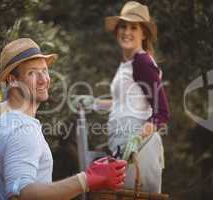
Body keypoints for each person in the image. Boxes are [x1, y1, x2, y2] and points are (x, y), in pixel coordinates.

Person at [0, 38, 127, 200]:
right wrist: (87, 179)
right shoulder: (23, 130)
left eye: (45, 70)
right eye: (32, 73)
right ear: (13, 80)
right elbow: (22, 194)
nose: (44, 79)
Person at [74, 1, 170, 193]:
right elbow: (123, 104)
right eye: (123, 26)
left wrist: (138, 138)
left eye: (133, 27)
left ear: (143, 33)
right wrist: (94, 104)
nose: (127, 32)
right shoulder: (129, 63)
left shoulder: (142, 63)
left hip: (140, 151)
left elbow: (162, 113)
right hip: (124, 147)